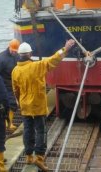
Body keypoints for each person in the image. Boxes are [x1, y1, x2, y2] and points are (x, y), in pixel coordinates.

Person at [12, 39, 75, 171]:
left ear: (19, 55)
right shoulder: (37, 66)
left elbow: (15, 90)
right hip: (38, 105)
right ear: (29, 54)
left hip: (25, 106)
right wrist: (65, 49)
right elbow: (53, 59)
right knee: (41, 131)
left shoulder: (15, 71)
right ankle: (39, 158)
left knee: (28, 131)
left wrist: (20, 102)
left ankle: (29, 156)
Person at [0, 39, 20, 130]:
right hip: (4, 83)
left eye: (15, 51)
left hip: (14, 81)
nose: (14, 52)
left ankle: (8, 123)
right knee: (11, 103)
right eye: (13, 50)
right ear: (9, 47)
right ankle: (8, 124)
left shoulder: (17, 56)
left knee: (15, 104)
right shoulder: (1, 58)